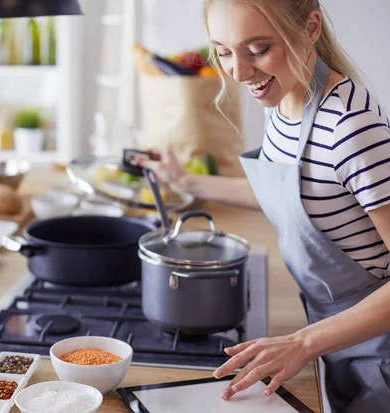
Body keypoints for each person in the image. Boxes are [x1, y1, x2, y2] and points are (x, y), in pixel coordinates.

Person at [136, 1, 390, 411]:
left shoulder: (349, 128)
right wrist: (184, 181)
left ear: (310, 28)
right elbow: (301, 197)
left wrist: (304, 343)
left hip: (377, 350)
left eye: (257, 50)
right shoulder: (286, 99)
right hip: (334, 336)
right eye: (223, 51)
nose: (237, 72)